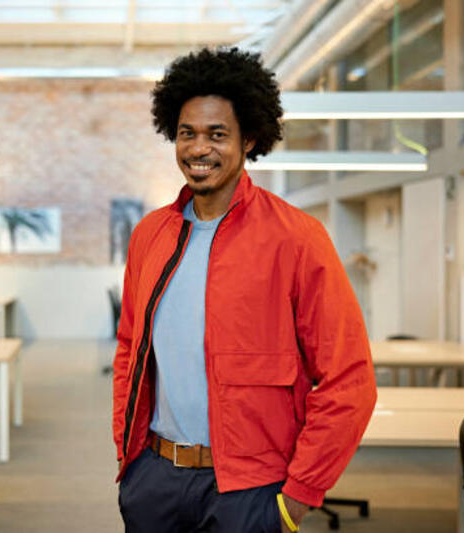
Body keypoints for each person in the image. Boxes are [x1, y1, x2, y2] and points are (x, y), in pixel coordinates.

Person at [112, 47, 377, 533]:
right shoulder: (151, 235)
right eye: (187, 133)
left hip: (251, 492)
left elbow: (349, 379)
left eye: (217, 134)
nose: (199, 149)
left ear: (248, 138)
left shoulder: (296, 238)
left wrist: (297, 496)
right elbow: (130, 348)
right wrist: (131, 462)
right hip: (155, 480)